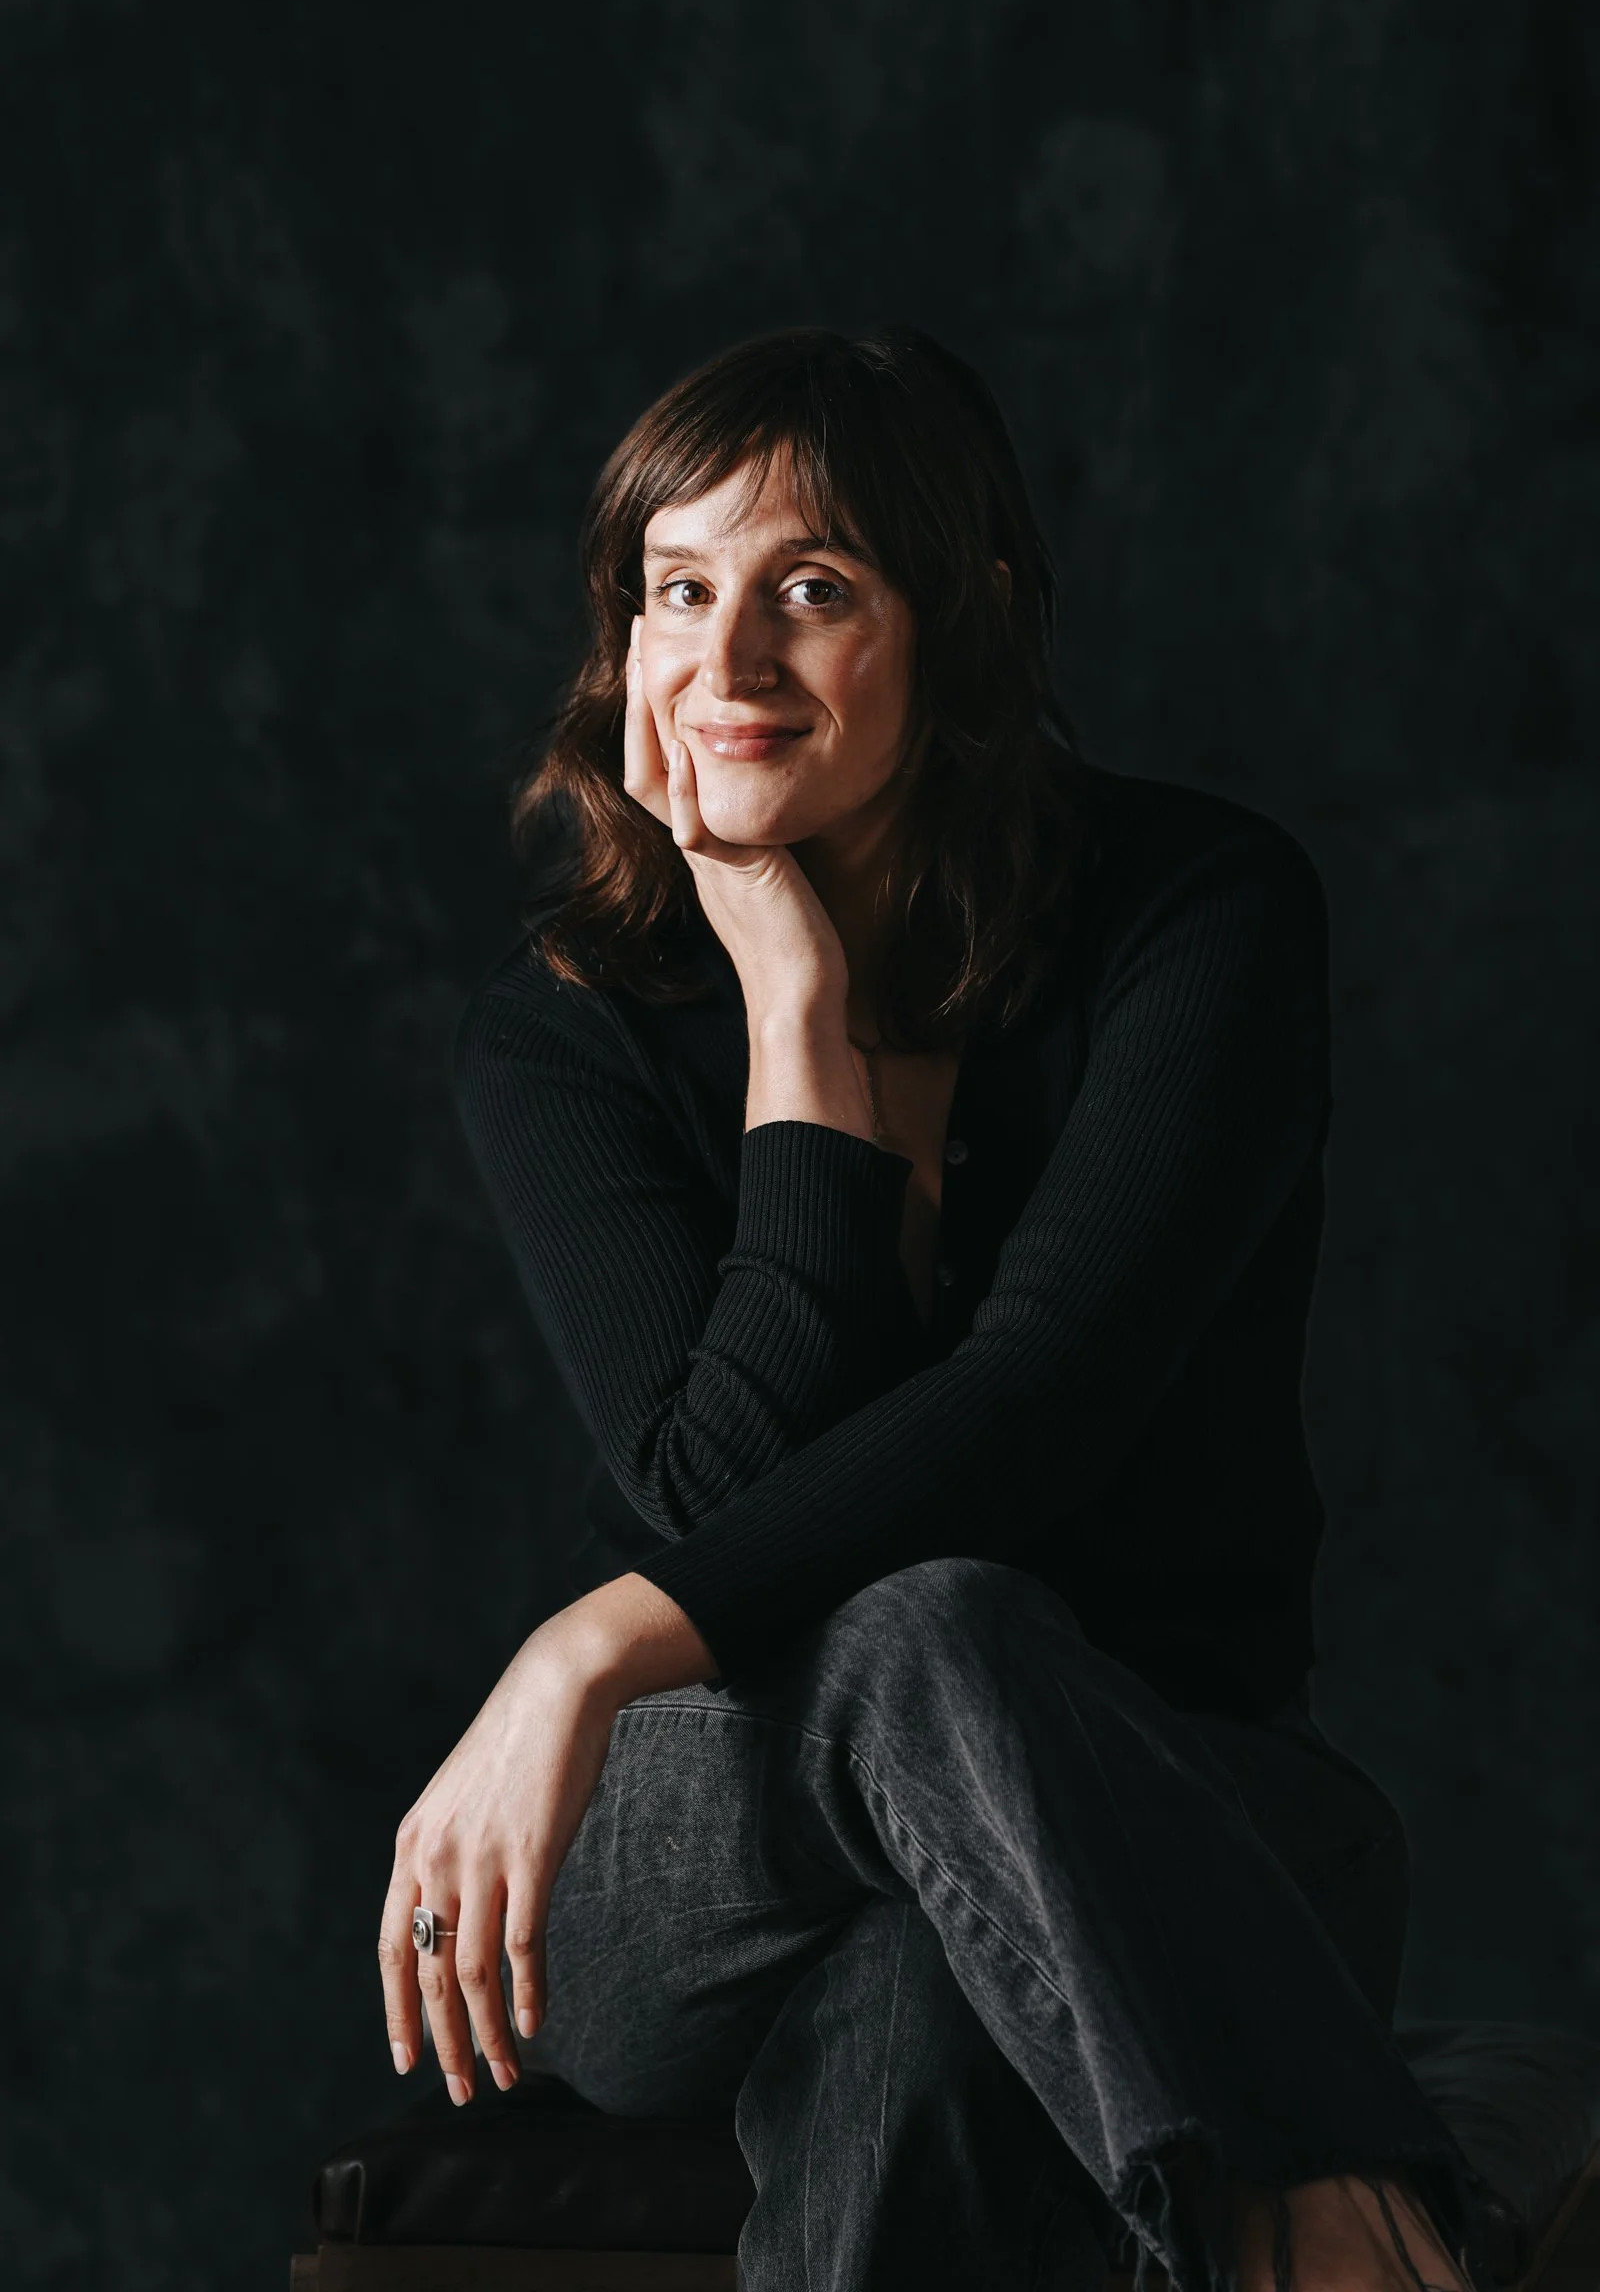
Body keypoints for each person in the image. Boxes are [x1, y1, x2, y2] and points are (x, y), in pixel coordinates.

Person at [376, 327, 1490, 2292]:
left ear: (959, 619)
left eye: (810, 588)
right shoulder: (563, 1042)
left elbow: (1045, 1400)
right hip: (696, 1855)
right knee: (916, 1628)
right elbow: (709, 1479)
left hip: (1181, 1812)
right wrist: (793, 1019)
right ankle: (1311, 2189)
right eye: (677, 593)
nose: (727, 667)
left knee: (909, 2002)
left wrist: (574, 1653)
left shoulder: (1192, 915)